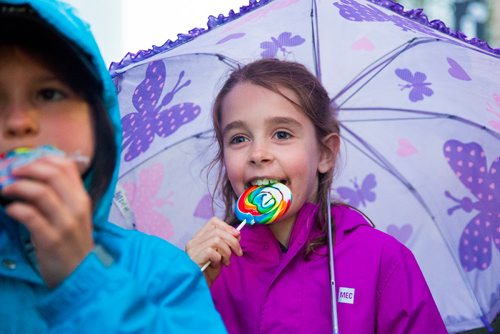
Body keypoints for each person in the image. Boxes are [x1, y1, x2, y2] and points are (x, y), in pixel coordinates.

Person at [0, 0, 226, 332]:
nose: (19, 122)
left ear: (99, 123)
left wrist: (83, 276)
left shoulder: (161, 272)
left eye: (48, 94)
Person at [186, 58, 447, 333]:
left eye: (282, 134)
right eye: (239, 139)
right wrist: (183, 291)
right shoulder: (210, 269)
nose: (258, 154)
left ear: (325, 154)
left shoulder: (382, 261)